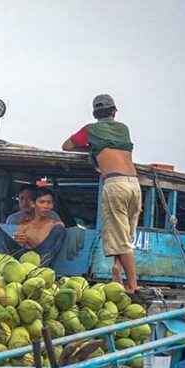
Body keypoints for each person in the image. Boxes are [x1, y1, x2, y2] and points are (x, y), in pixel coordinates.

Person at [62, 94, 141, 293]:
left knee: (120, 238)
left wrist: (90, 148)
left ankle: (132, 284)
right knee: (125, 234)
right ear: (114, 112)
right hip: (134, 184)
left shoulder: (91, 130)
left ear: (94, 114)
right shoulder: (124, 129)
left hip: (115, 183)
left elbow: (66, 146)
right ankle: (117, 270)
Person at [0, 187, 66, 266]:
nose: (45, 206)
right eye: (41, 202)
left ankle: (38, 270)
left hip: (39, 260)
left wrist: (28, 239)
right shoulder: (24, 225)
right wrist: (18, 240)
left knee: (59, 230)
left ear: (52, 205)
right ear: (33, 204)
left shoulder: (56, 225)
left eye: (49, 202)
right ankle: (6, 264)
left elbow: (47, 249)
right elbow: (20, 248)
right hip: (22, 258)